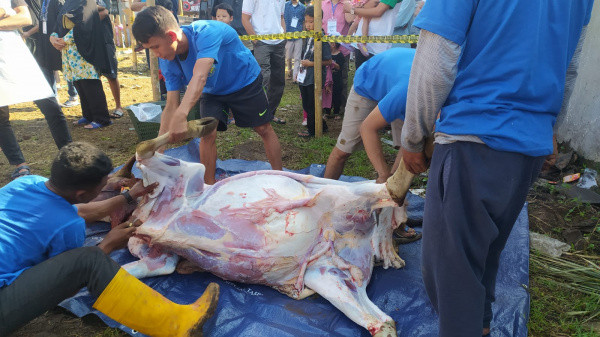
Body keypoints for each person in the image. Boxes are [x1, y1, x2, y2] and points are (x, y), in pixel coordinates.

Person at [400, 0, 593, 334]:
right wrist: (548, 130)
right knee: (486, 251)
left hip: (474, 138)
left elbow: (436, 59)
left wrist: (414, 137)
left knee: (450, 273)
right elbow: (569, 65)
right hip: (527, 146)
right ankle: (484, 325)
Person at [0, 142, 219, 336]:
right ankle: (179, 326)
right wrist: (108, 245)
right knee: (88, 261)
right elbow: (69, 284)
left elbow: (77, 210)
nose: (109, 184)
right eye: (104, 184)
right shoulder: (69, 227)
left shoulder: (25, 183)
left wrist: (128, 196)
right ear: (82, 193)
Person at [132, 6, 283, 184]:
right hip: (211, 91)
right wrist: (159, 150)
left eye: (156, 47)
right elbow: (171, 104)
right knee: (207, 134)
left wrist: (182, 114)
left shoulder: (207, 32)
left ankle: (281, 178)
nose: (156, 54)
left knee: (263, 128)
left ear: (172, 36)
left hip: (243, 81)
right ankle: (208, 187)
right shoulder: (167, 60)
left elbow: (200, 75)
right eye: (150, 49)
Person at [0, 0, 72, 179]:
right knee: (0, 115)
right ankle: (20, 164)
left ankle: (70, 155)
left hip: (14, 53)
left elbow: (24, 17)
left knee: (50, 104)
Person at [323, 48, 414, 182]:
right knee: (343, 150)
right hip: (368, 82)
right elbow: (367, 128)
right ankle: (323, 193)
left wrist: (393, 181)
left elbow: (410, 146)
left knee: (408, 143)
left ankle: (391, 189)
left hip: (395, 77)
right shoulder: (404, 93)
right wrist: (383, 173)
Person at [49, 0, 113, 129]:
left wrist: (64, 39)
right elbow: (58, 24)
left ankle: (101, 118)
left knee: (89, 83)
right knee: (79, 83)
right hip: (69, 52)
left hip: (84, 50)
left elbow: (87, 24)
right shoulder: (68, 3)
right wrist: (54, 37)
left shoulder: (87, 2)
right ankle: (88, 115)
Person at [241, 0, 287, 124]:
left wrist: (284, 35)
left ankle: (269, 114)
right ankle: (257, 114)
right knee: (263, 79)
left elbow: (281, 17)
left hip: (279, 43)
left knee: (279, 81)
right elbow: (245, 18)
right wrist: (257, 40)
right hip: (262, 43)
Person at [297, 5, 331, 138]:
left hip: (314, 77)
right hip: (304, 76)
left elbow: (328, 61)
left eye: (311, 22)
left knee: (312, 104)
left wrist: (311, 64)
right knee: (306, 103)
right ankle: (323, 125)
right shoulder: (307, 35)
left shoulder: (322, 37)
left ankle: (312, 130)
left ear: (319, 21)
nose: (308, 25)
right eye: (306, 21)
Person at [343, 0, 401, 69]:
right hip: (360, 43)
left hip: (378, 46)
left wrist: (352, 9)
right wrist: (354, 9)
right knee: (360, 76)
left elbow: (378, 11)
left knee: (374, 77)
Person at [321, 0, 353, 117]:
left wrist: (348, 5)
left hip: (342, 50)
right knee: (325, 79)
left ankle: (341, 108)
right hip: (325, 50)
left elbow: (350, 19)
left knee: (341, 81)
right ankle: (325, 107)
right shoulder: (322, 3)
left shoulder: (346, 3)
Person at [283, 0, 305, 82]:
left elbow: (303, 22)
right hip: (288, 36)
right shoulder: (285, 5)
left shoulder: (303, 7)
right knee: (288, 57)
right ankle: (289, 71)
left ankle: (295, 77)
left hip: (298, 36)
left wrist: (303, 35)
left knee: (297, 57)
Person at [325, 42, 345, 120]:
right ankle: (327, 112)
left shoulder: (340, 55)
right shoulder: (327, 55)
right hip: (327, 80)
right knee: (327, 95)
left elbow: (339, 67)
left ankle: (336, 112)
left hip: (337, 80)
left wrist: (332, 63)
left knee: (337, 95)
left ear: (333, 45)